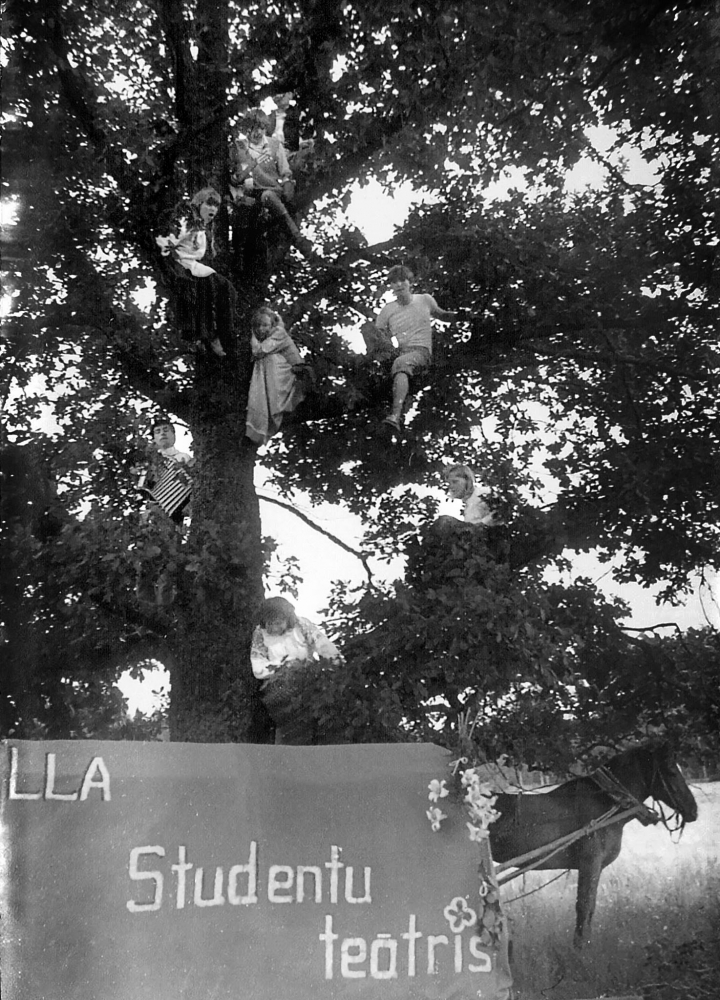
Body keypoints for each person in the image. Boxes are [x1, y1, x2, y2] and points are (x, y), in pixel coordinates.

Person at [367, 265, 457, 430]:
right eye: (394, 282)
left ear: (410, 282)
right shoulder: (388, 310)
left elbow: (442, 315)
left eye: (403, 280)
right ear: (391, 286)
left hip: (420, 352)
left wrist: (463, 317)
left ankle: (395, 416)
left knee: (401, 363)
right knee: (386, 358)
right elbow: (378, 335)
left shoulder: (424, 300)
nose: (399, 285)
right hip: (399, 352)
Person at [250, 596, 343, 744]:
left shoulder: (302, 625)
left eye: (278, 623)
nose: (274, 628)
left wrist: (337, 665)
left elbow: (324, 646)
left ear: (288, 619)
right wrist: (284, 666)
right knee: (287, 733)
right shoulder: (260, 634)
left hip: (307, 684)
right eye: (270, 624)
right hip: (279, 692)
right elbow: (258, 666)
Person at [156, 187, 236, 356]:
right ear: (199, 204)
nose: (213, 209)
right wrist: (173, 266)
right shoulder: (187, 221)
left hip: (193, 265)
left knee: (226, 289)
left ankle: (221, 335)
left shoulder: (204, 227)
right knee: (214, 287)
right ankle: (210, 337)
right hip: (182, 266)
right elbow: (168, 242)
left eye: (216, 206)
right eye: (209, 204)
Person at [229, 109, 314, 257]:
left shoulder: (274, 145)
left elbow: (285, 171)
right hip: (250, 194)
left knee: (267, 196)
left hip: (272, 190)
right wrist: (239, 196)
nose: (257, 133)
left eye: (261, 128)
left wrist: (287, 184)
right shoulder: (239, 147)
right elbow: (235, 178)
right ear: (246, 129)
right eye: (253, 129)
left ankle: (297, 237)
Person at [135, 419, 195, 606]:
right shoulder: (149, 459)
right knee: (147, 555)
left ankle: (165, 603)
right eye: (158, 431)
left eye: (166, 430)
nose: (162, 434)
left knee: (170, 558)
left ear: (174, 435)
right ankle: (144, 599)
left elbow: (193, 488)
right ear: (153, 438)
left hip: (175, 513)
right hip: (153, 510)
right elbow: (142, 488)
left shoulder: (184, 457)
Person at [245, 306, 308, 444]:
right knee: (264, 361)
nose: (261, 329)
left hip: (292, 374)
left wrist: (252, 334)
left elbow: (258, 351)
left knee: (268, 359)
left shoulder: (279, 332)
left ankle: (274, 405)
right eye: (258, 326)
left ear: (272, 325)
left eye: (265, 325)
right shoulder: (268, 336)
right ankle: (265, 407)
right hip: (278, 372)